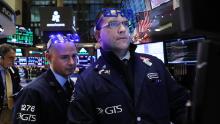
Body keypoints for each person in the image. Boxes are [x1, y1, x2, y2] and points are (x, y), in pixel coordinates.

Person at [67, 8, 189, 124]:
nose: (123, 29)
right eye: (113, 24)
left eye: (125, 23)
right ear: (98, 36)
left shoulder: (154, 64)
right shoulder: (87, 80)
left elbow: (182, 107)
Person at [12, 34, 78, 123]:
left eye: (74, 56)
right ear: (48, 57)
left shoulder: (72, 86)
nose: (71, 62)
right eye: (64, 57)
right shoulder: (32, 92)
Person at [0, 43, 21, 124]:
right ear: (1, 57)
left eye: (14, 58)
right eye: (10, 58)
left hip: (11, 109)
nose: (13, 61)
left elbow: (17, 86)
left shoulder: (14, 71)